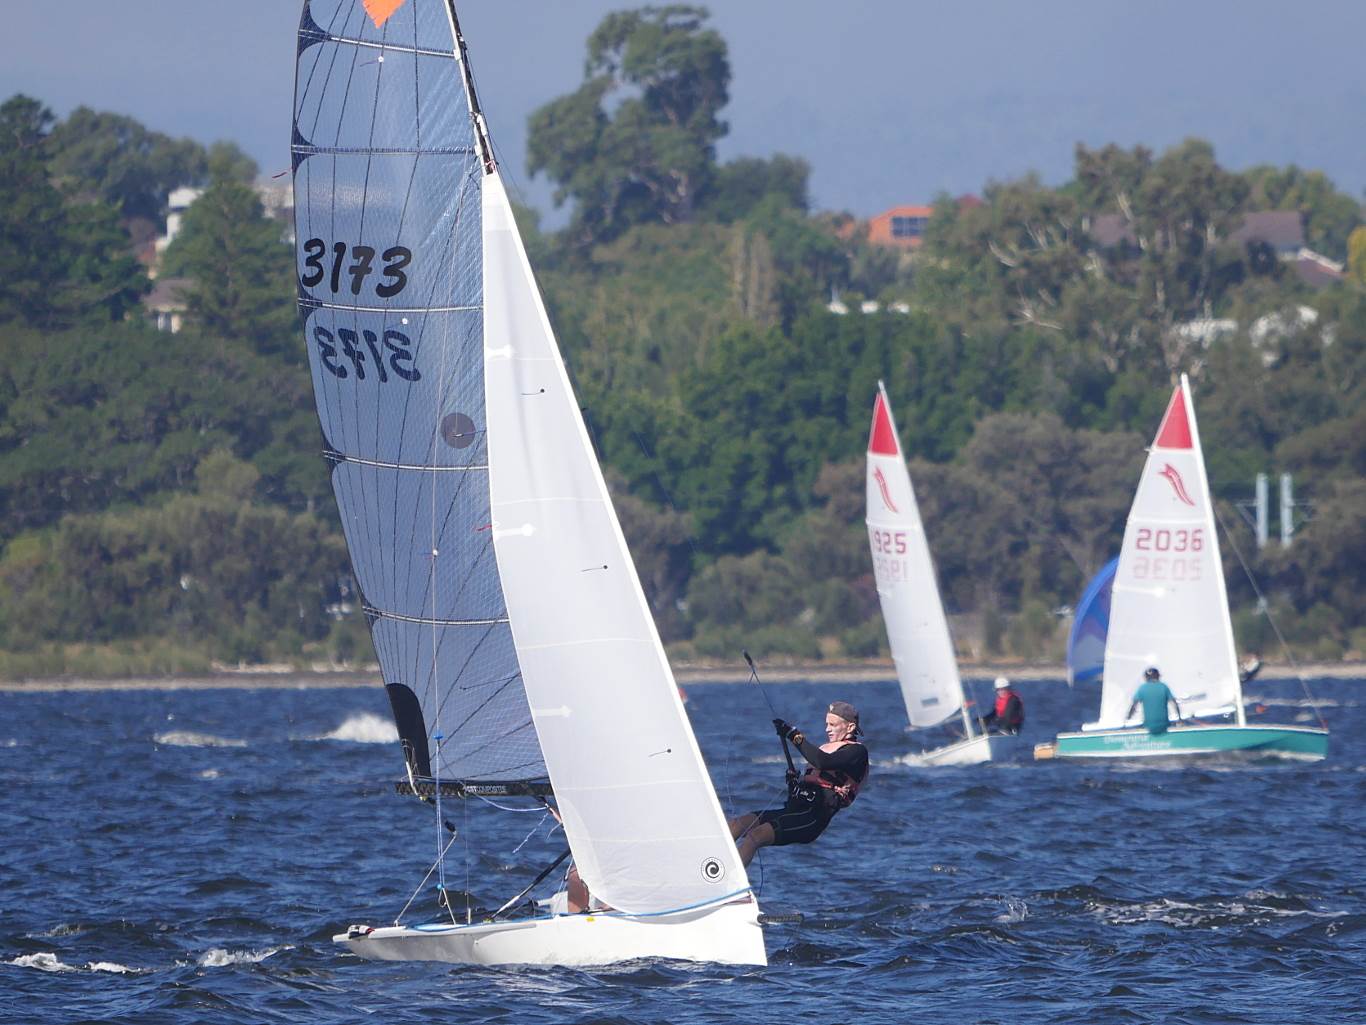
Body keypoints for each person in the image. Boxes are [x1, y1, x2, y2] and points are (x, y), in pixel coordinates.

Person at [727, 701, 870, 867]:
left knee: (755, 836)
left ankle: (728, 881)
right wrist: (794, 783)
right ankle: (707, 866)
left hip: (811, 820)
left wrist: (793, 735)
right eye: (826, 724)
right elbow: (803, 792)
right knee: (738, 824)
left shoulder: (857, 752)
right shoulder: (826, 747)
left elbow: (822, 761)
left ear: (850, 727)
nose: (827, 729)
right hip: (793, 811)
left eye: (833, 725)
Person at [1126, 666, 1183, 735]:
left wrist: (1128, 718)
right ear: (1158, 676)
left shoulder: (1142, 688)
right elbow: (1174, 704)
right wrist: (1179, 719)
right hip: (1164, 726)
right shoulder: (1164, 687)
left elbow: (1134, 706)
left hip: (1149, 727)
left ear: (1146, 678)